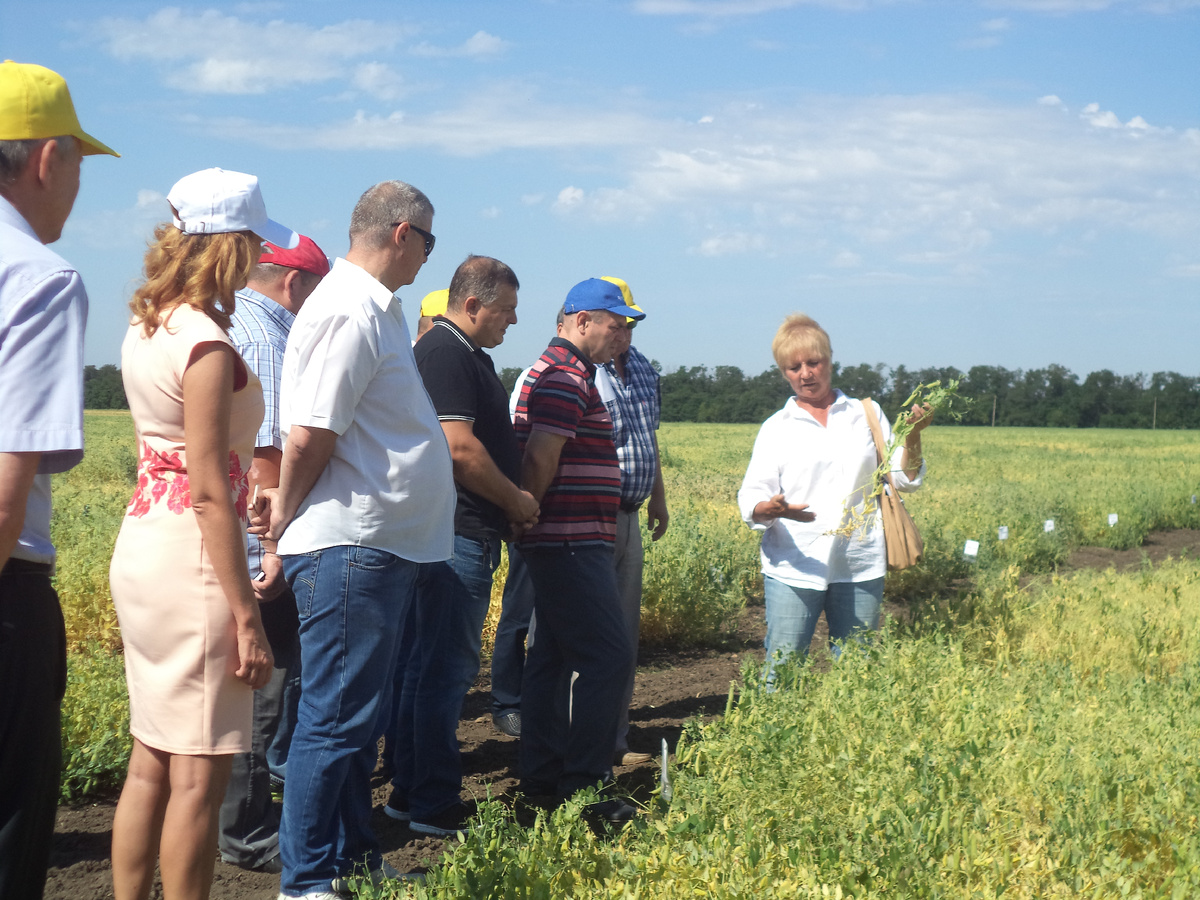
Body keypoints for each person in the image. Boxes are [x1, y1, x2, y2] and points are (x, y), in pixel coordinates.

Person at [261, 180, 453, 898]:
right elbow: (312, 431)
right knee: (336, 723)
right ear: (403, 233)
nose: (429, 258)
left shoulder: (373, 309)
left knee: (351, 719)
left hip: (377, 545)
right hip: (352, 546)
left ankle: (351, 858)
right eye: (429, 243)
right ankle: (307, 878)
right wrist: (283, 515)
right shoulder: (349, 309)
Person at [108, 168, 294, 900]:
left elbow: (176, 459)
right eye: (252, 241)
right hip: (196, 563)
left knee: (150, 756)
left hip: (146, 543)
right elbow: (211, 490)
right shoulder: (209, 343)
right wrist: (247, 617)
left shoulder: (147, 325)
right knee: (200, 773)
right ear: (232, 245)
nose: (257, 257)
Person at [0, 59, 118, 900]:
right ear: (46, 159)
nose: (76, 182)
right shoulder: (38, 279)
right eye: (78, 160)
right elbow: (6, 488)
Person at [385, 255, 539, 836]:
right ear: (471, 305)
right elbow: (459, 450)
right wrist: (515, 500)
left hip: (454, 531)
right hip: (458, 534)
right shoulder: (447, 354)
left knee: (425, 666)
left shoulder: (459, 352)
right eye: (506, 311)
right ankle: (431, 802)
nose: (512, 323)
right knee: (444, 671)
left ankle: (409, 789)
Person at [514, 278, 644, 825]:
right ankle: (585, 788)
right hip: (569, 540)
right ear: (580, 320)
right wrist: (528, 512)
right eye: (615, 325)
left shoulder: (564, 371)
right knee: (607, 658)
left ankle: (542, 779)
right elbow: (542, 458)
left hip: (564, 538)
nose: (622, 336)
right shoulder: (566, 376)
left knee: (551, 658)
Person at [218, 235, 329, 874]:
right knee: (263, 680)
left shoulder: (241, 324)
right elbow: (267, 457)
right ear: (294, 285)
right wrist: (273, 547)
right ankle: (249, 831)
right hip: (261, 534)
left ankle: (238, 816)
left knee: (254, 680)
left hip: (241, 528)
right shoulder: (269, 337)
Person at [736, 314, 931, 679]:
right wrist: (772, 509)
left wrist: (915, 436)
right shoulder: (776, 427)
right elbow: (753, 496)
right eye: (794, 367)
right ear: (784, 373)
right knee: (782, 671)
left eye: (814, 362)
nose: (806, 373)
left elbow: (904, 480)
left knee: (857, 674)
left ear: (830, 360)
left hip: (859, 563)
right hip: (794, 565)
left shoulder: (865, 414)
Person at [592, 277, 669, 768]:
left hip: (631, 516)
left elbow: (648, 439)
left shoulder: (641, 368)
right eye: (618, 324)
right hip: (589, 520)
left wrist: (658, 497)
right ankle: (576, 745)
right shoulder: (579, 370)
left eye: (630, 324)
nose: (625, 334)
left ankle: (613, 740)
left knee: (622, 636)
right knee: (587, 636)